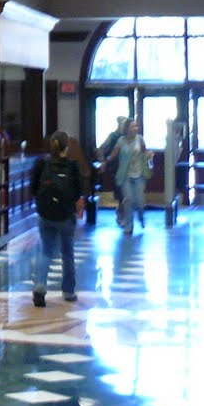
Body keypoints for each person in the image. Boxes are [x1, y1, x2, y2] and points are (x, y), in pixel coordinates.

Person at [30, 131, 87, 307]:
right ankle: (68, 291)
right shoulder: (72, 166)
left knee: (46, 251)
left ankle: (40, 287)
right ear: (66, 147)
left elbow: (33, 188)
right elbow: (78, 192)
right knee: (67, 253)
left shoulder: (41, 164)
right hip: (65, 216)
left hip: (45, 215)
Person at [112, 119, 151, 235]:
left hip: (139, 174)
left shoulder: (140, 139)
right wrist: (105, 161)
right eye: (133, 126)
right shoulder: (121, 141)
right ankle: (129, 226)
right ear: (127, 129)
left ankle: (141, 215)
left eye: (136, 126)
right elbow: (114, 154)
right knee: (128, 199)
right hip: (126, 175)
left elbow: (145, 151)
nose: (135, 129)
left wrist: (149, 155)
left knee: (139, 201)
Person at [96, 114, 129, 225]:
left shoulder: (129, 136)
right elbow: (101, 148)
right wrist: (102, 161)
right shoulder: (113, 136)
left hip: (128, 168)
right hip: (116, 168)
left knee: (126, 193)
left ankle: (123, 213)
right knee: (121, 194)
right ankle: (121, 213)